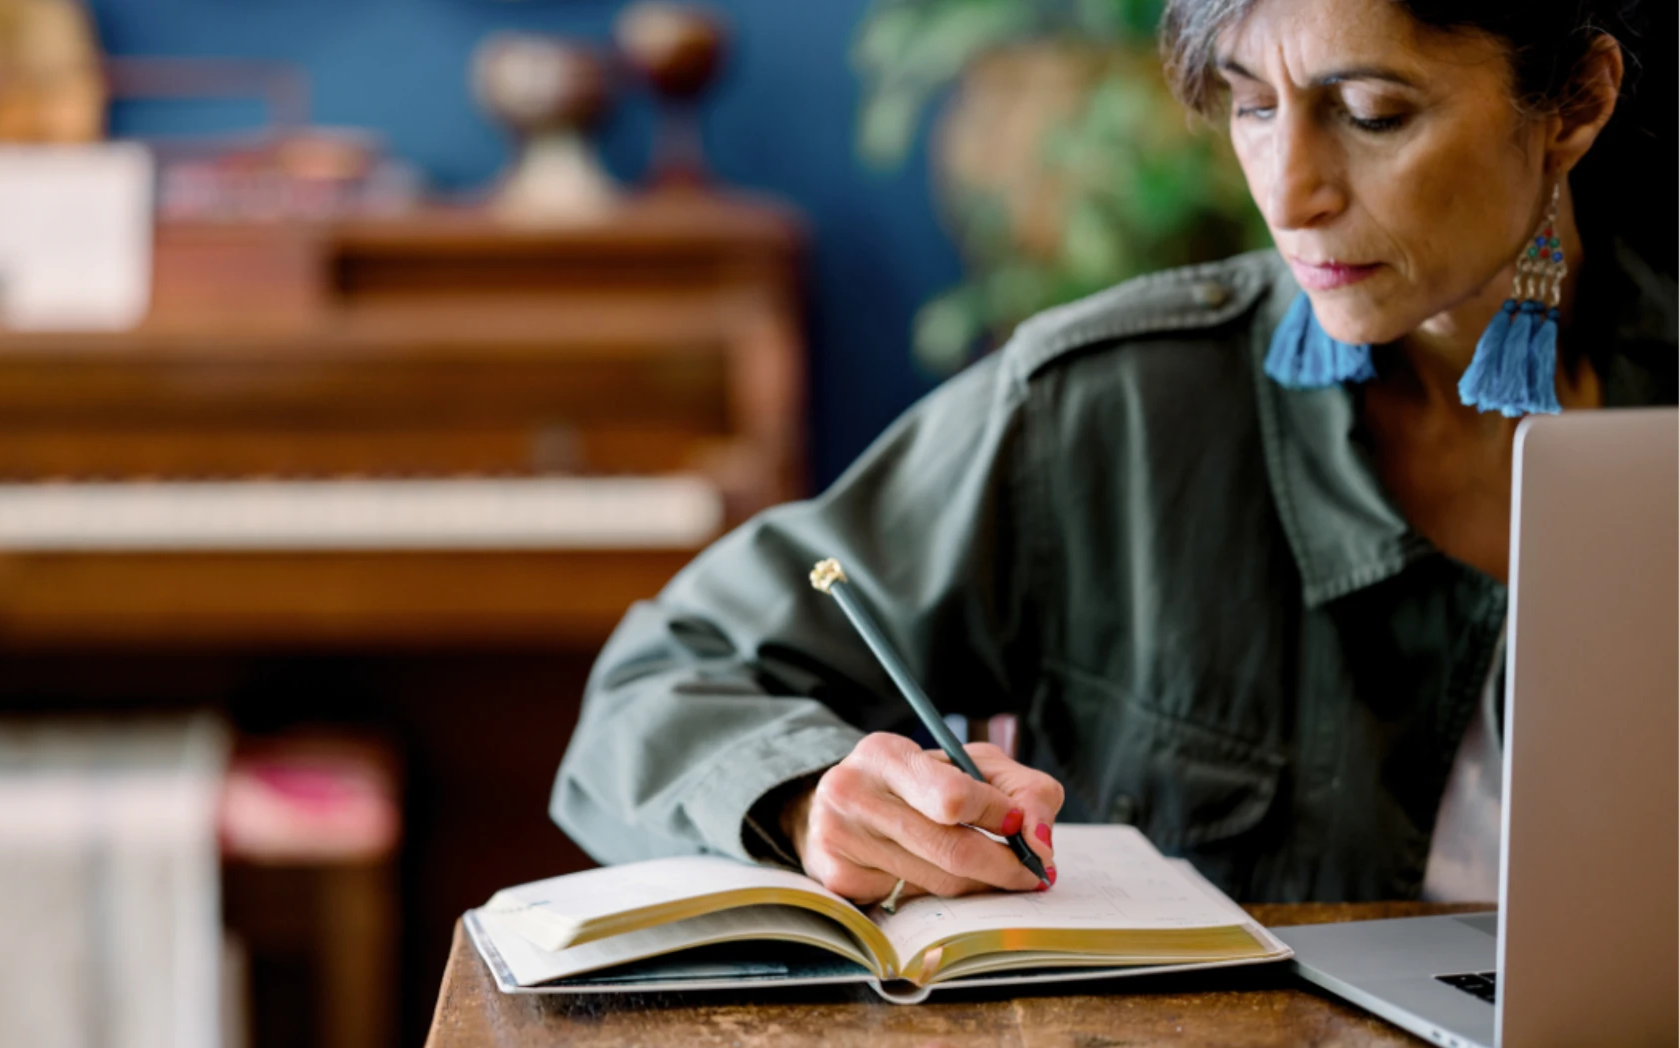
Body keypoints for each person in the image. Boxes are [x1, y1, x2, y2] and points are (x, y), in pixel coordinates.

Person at [550, 0, 1679, 906]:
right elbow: (657, 683)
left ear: (1575, 103)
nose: (1288, 191)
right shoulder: (1111, 403)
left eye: (1373, 111)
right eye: (1248, 106)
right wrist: (808, 800)